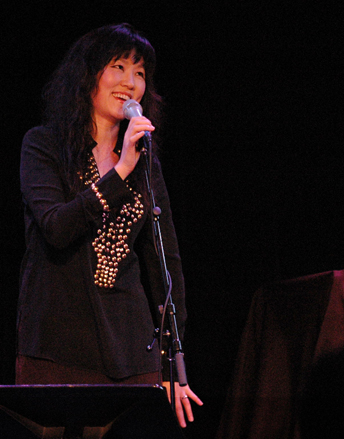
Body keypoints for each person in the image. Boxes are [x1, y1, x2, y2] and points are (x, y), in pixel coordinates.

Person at [17, 23, 202, 428]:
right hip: (58, 348)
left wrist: (172, 363)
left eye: (140, 73)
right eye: (118, 67)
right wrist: (120, 172)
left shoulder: (145, 161)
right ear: (89, 77)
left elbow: (165, 264)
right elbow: (56, 227)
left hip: (133, 352)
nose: (131, 83)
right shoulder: (42, 146)